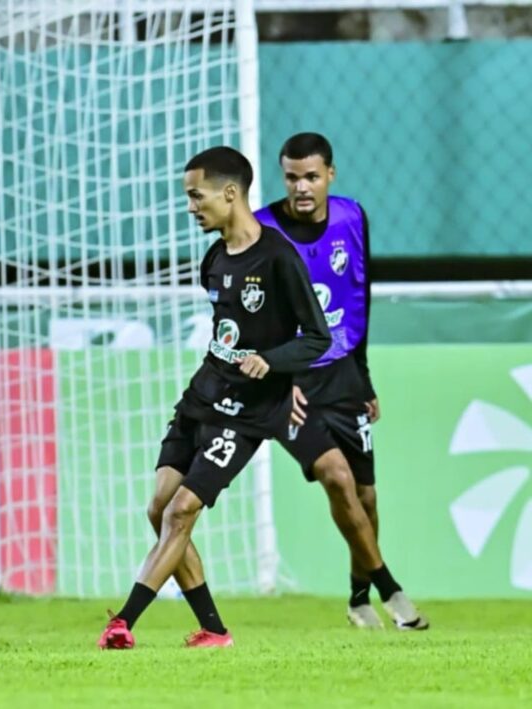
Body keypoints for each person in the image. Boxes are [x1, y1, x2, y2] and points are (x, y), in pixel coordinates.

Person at [99, 146, 331, 649]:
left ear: (230, 194)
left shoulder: (279, 258)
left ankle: (123, 623)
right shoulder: (215, 259)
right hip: (203, 395)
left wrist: (274, 365)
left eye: (196, 195)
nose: (190, 206)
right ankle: (214, 630)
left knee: (182, 511)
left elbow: (318, 337)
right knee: (160, 508)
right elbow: (228, 334)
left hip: (248, 413)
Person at [256, 132, 428, 630]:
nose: (301, 187)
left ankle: (358, 599)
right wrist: (277, 377)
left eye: (311, 176)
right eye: (291, 177)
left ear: (330, 174)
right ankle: (391, 589)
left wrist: (365, 375)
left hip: (345, 374)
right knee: (335, 476)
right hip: (290, 384)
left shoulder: (352, 217)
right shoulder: (264, 229)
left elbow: (359, 295)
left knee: (367, 497)